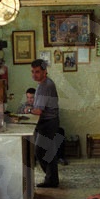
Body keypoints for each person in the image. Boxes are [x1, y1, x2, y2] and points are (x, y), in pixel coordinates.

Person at [30, 59, 61, 188]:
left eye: (37, 72)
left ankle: (51, 180)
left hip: (48, 122)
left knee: (42, 152)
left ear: (44, 71)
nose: (34, 75)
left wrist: (28, 110)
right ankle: (51, 179)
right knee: (47, 152)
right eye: (32, 72)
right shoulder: (41, 84)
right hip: (47, 122)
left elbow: (38, 110)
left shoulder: (45, 85)